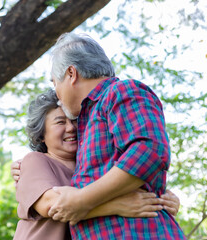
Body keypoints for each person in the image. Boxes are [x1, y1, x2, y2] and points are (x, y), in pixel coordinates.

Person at [45, 32, 186, 239]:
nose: (56, 93)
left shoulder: (120, 92)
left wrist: (82, 200)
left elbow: (149, 151)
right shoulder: (86, 122)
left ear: (71, 74)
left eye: (54, 82)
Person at [13, 89, 180, 240]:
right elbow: (51, 205)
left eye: (73, 120)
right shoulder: (35, 161)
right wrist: (117, 205)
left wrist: (162, 197)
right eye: (60, 122)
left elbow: (123, 180)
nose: (71, 128)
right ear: (41, 134)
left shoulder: (90, 165)